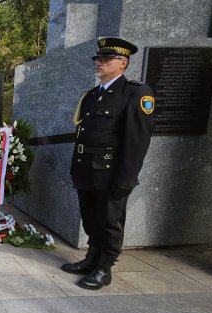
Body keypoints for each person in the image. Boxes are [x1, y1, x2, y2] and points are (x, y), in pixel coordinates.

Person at [61, 37, 155, 290]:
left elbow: (137, 141)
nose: (98, 62)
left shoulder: (136, 93)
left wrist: (126, 178)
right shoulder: (93, 96)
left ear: (123, 63)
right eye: (98, 58)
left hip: (109, 171)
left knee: (109, 221)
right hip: (86, 168)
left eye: (105, 59)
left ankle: (104, 267)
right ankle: (91, 258)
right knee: (90, 217)